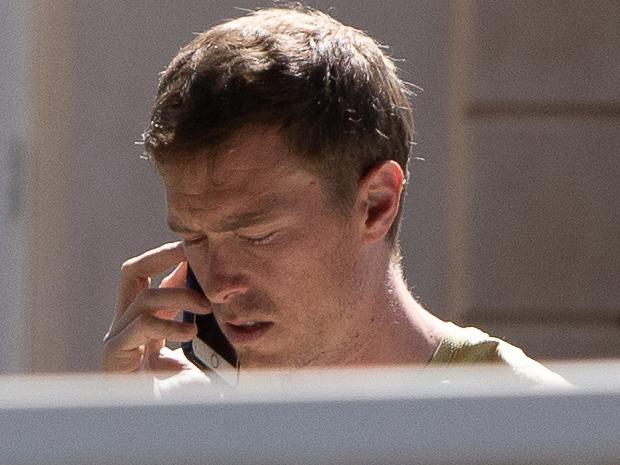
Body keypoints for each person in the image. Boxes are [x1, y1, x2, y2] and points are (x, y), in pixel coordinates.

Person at [102, 5, 566, 387]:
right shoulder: (190, 428)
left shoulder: (533, 428)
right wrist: (122, 438)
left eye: (257, 235)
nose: (220, 285)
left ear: (376, 205)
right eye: (195, 239)